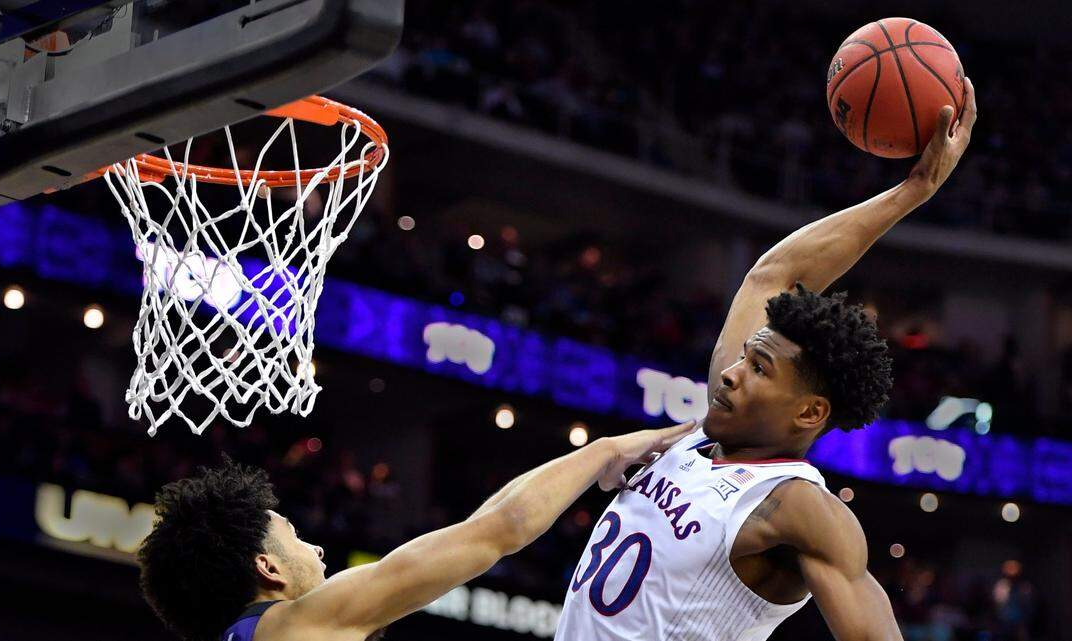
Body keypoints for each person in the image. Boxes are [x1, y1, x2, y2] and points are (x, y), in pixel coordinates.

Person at [555, 80, 978, 641]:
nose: (732, 371)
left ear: (808, 413)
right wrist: (913, 190)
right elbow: (775, 277)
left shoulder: (799, 507)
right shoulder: (707, 430)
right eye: (748, 358)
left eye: (759, 369)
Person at [136, 421, 694, 641]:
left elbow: (481, 526)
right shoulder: (292, 627)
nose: (316, 546)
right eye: (295, 536)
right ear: (269, 567)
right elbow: (500, 532)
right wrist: (607, 450)